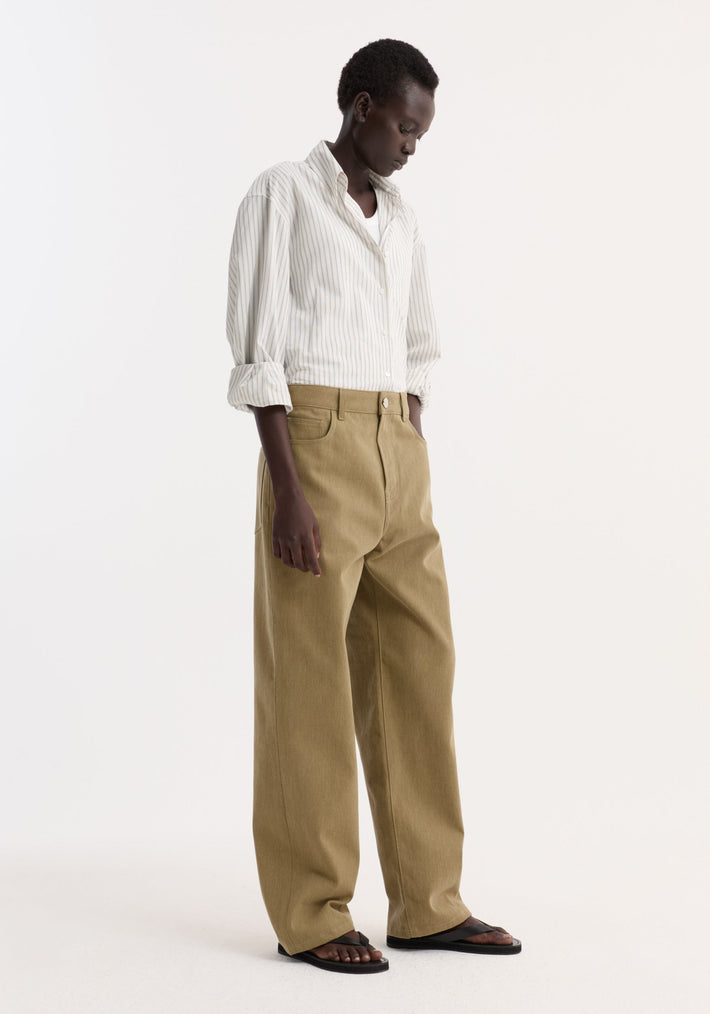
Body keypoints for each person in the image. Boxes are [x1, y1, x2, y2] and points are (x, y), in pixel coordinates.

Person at [224, 38, 521, 974]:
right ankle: (311, 911)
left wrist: (406, 434)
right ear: (359, 107)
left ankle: (429, 901)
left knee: (418, 670)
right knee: (308, 684)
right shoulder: (283, 194)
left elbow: (421, 341)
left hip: (398, 443)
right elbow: (258, 348)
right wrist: (290, 488)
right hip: (311, 441)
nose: (410, 147)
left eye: (421, 132)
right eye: (403, 125)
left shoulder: (401, 217)